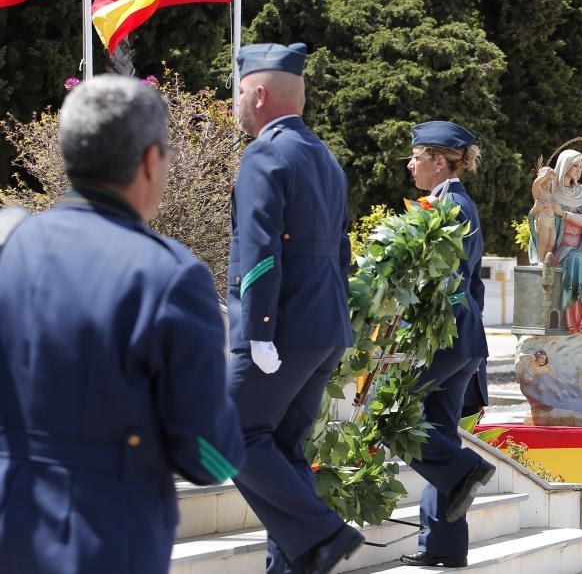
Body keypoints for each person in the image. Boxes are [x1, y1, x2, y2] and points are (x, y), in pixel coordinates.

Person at [0, 75, 245, 573]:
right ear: (151, 160)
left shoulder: (9, 248)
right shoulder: (170, 277)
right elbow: (209, 454)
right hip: (104, 535)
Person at [227, 42, 362, 574]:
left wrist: (258, 328)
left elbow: (260, 247)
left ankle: (324, 535)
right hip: (324, 324)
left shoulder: (265, 152)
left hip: (278, 328)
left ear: (258, 93)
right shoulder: (323, 156)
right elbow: (343, 249)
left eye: (238, 92)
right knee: (283, 449)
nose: (236, 103)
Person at [399, 121, 496, 568]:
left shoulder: (451, 206)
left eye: (417, 155)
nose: (410, 163)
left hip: (446, 337)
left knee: (394, 419)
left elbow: (445, 281)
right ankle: (444, 545)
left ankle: (465, 472)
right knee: (437, 433)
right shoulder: (450, 203)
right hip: (461, 338)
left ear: (439, 160)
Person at [529, 149, 582, 367]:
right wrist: (543, 179)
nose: (578, 170)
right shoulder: (553, 190)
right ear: (565, 165)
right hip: (562, 250)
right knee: (581, 262)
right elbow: (539, 203)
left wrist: (565, 214)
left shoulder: (581, 191)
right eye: (575, 165)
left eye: (580, 166)